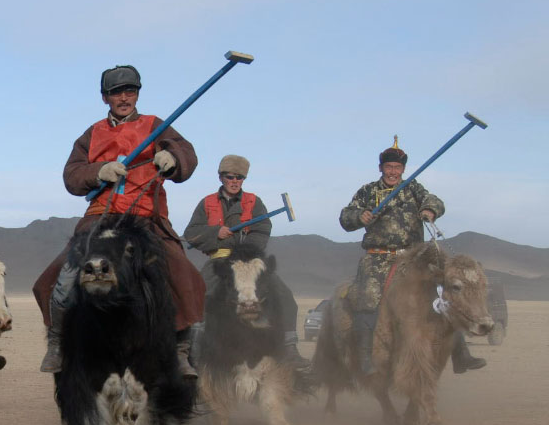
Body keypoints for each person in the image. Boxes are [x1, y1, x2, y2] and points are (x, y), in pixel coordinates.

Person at [32, 65, 207, 377]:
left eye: (130, 91)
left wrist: (173, 157)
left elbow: (187, 153)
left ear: (138, 93)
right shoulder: (91, 134)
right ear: (105, 97)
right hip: (101, 217)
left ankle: (180, 349)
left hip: (146, 217)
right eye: (116, 92)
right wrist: (98, 171)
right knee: (61, 277)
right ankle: (57, 341)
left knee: (183, 272)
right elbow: (72, 175)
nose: (124, 97)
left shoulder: (157, 126)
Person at [339, 139, 484, 375]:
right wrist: (360, 217)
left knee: (444, 294)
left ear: (403, 170)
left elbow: (434, 201)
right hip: (378, 258)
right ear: (381, 168)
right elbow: (346, 217)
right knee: (367, 298)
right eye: (388, 167)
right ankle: (366, 360)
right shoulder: (367, 191)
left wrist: (429, 211)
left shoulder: (413, 188)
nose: (393, 172)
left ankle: (461, 355)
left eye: (397, 168)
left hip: (413, 256)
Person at [182, 154, 308, 366]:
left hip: (249, 263)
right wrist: (215, 233)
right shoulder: (207, 203)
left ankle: (289, 348)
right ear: (221, 177)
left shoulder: (254, 202)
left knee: (284, 294)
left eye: (239, 178)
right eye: (230, 177)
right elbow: (191, 233)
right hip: (219, 262)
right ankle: (193, 351)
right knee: (197, 296)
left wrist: (244, 251)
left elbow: (262, 230)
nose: (234, 181)